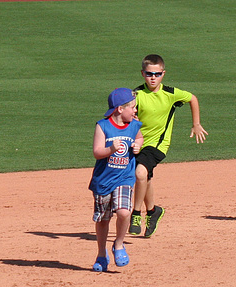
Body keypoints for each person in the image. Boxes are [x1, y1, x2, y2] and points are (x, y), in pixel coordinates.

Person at [129, 54, 209, 237]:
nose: (153, 78)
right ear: (142, 73)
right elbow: (128, 114)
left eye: (157, 74)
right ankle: (153, 211)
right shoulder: (137, 94)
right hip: (138, 142)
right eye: (149, 74)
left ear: (163, 74)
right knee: (145, 177)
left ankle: (136, 214)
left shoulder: (171, 94)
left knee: (140, 173)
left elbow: (192, 98)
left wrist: (196, 124)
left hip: (158, 144)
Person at [89, 88, 143, 272]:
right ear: (120, 109)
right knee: (103, 219)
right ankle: (101, 254)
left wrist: (138, 146)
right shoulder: (103, 126)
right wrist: (111, 149)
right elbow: (97, 152)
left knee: (124, 212)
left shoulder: (134, 125)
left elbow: (139, 137)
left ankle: (118, 244)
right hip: (103, 181)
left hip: (124, 178)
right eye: (132, 107)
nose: (135, 111)